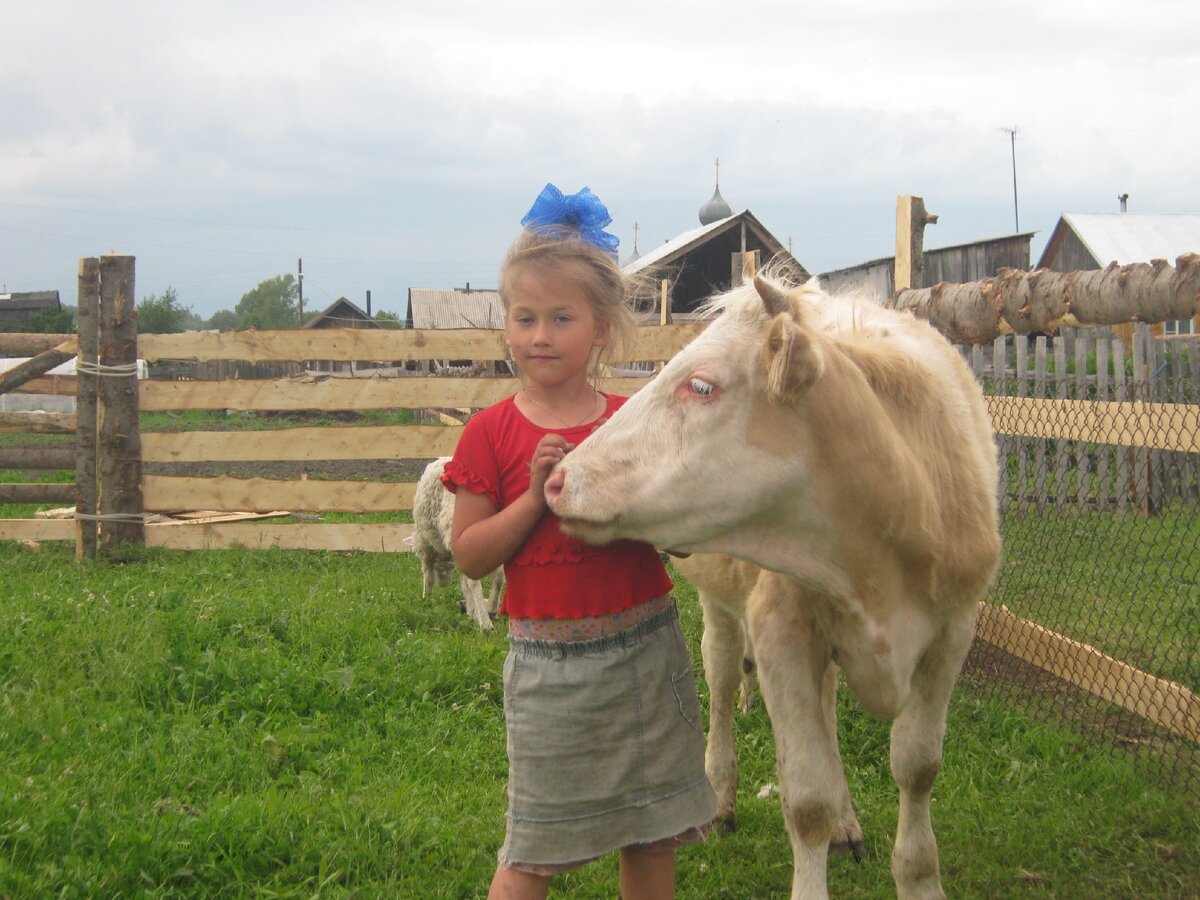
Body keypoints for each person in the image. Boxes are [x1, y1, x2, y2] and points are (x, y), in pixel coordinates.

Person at [442, 183, 715, 900]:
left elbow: (680, 540)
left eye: (561, 318)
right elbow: (470, 554)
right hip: (550, 674)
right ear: (506, 326)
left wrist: (662, 509)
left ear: (599, 328)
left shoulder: (632, 422)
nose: (541, 335)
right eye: (525, 317)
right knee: (533, 848)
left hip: (647, 658)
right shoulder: (490, 434)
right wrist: (536, 497)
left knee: (653, 835)